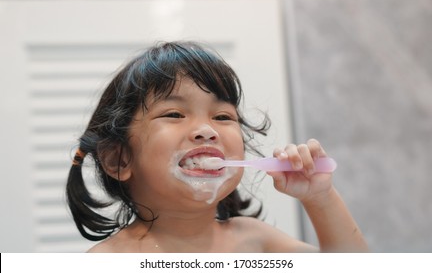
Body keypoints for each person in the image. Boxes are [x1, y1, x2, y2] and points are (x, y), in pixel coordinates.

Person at [66, 41, 368, 253]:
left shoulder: (256, 242)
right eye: (174, 114)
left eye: (223, 116)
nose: (206, 130)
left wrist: (320, 197)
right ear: (118, 159)